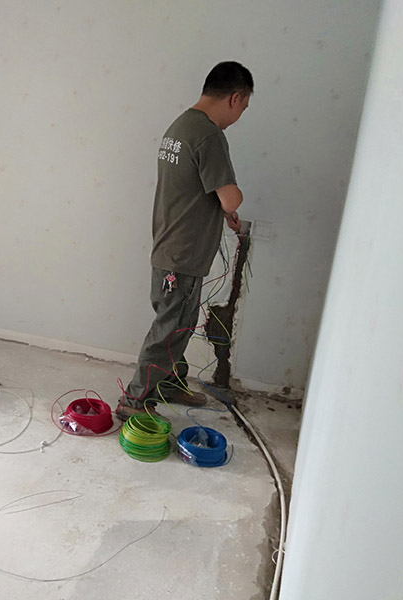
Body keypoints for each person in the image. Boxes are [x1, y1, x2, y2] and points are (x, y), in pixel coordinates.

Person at [118, 61, 254, 421]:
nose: (239, 116)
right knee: (171, 329)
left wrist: (221, 211)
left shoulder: (179, 127)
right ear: (235, 97)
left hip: (169, 245)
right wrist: (232, 203)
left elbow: (192, 187)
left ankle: (169, 383)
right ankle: (134, 400)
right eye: (243, 107)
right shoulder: (209, 135)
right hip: (184, 253)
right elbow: (230, 198)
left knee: (178, 323)